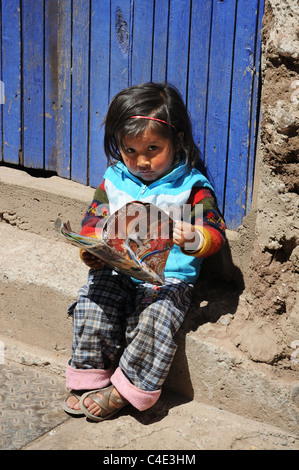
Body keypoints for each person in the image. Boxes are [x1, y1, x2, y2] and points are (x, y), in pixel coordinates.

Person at [63, 82, 226, 421]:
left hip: (167, 281)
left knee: (156, 319)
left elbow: (215, 232)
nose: (142, 160)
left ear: (177, 140)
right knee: (93, 302)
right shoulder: (114, 180)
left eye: (153, 148)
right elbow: (94, 218)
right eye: (130, 150)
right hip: (117, 271)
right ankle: (90, 372)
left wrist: (194, 237)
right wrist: (93, 249)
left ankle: (129, 388)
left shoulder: (191, 187)